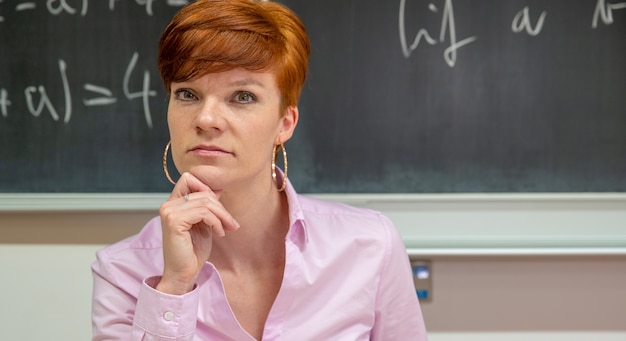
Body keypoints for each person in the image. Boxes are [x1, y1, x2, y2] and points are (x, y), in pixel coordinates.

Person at [91, 0, 428, 340]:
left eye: (242, 97)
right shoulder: (122, 271)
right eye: (188, 93)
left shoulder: (369, 246)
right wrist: (174, 286)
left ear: (285, 123)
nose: (206, 119)